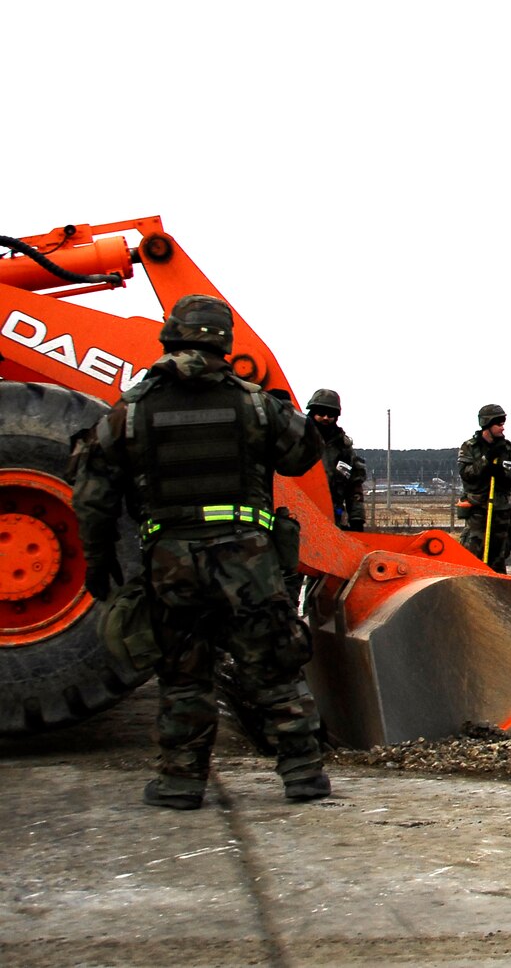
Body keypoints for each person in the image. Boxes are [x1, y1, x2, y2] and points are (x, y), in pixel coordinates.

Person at [72, 294, 331, 809]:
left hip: (173, 562)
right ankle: (302, 772)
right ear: (225, 344)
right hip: (248, 561)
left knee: (183, 671)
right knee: (273, 664)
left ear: (171, 337)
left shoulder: (135, 407)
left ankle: (181, 781)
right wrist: (277, 403)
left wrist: (98, 561)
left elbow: (93, 495)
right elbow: (304, 455)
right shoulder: (254, 404)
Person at [458, 403, 511, 572]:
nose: (502, 428)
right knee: (473, 555)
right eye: (499, 424)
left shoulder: (509, 448)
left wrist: (502, 474)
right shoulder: (470, 447)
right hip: (478, 510)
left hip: (501, 511)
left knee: (498, 557)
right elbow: (466, 474)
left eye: (503, 424)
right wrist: (485, 462)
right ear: (487, 425)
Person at [305, 388, 368, 531]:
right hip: (298, 513)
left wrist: (357, 519)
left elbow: (354, 488)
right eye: (321, 413)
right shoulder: (296, 439)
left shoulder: (344, 449)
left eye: (331, 414)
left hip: (331, 518)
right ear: (312, 412)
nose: (326, 418)